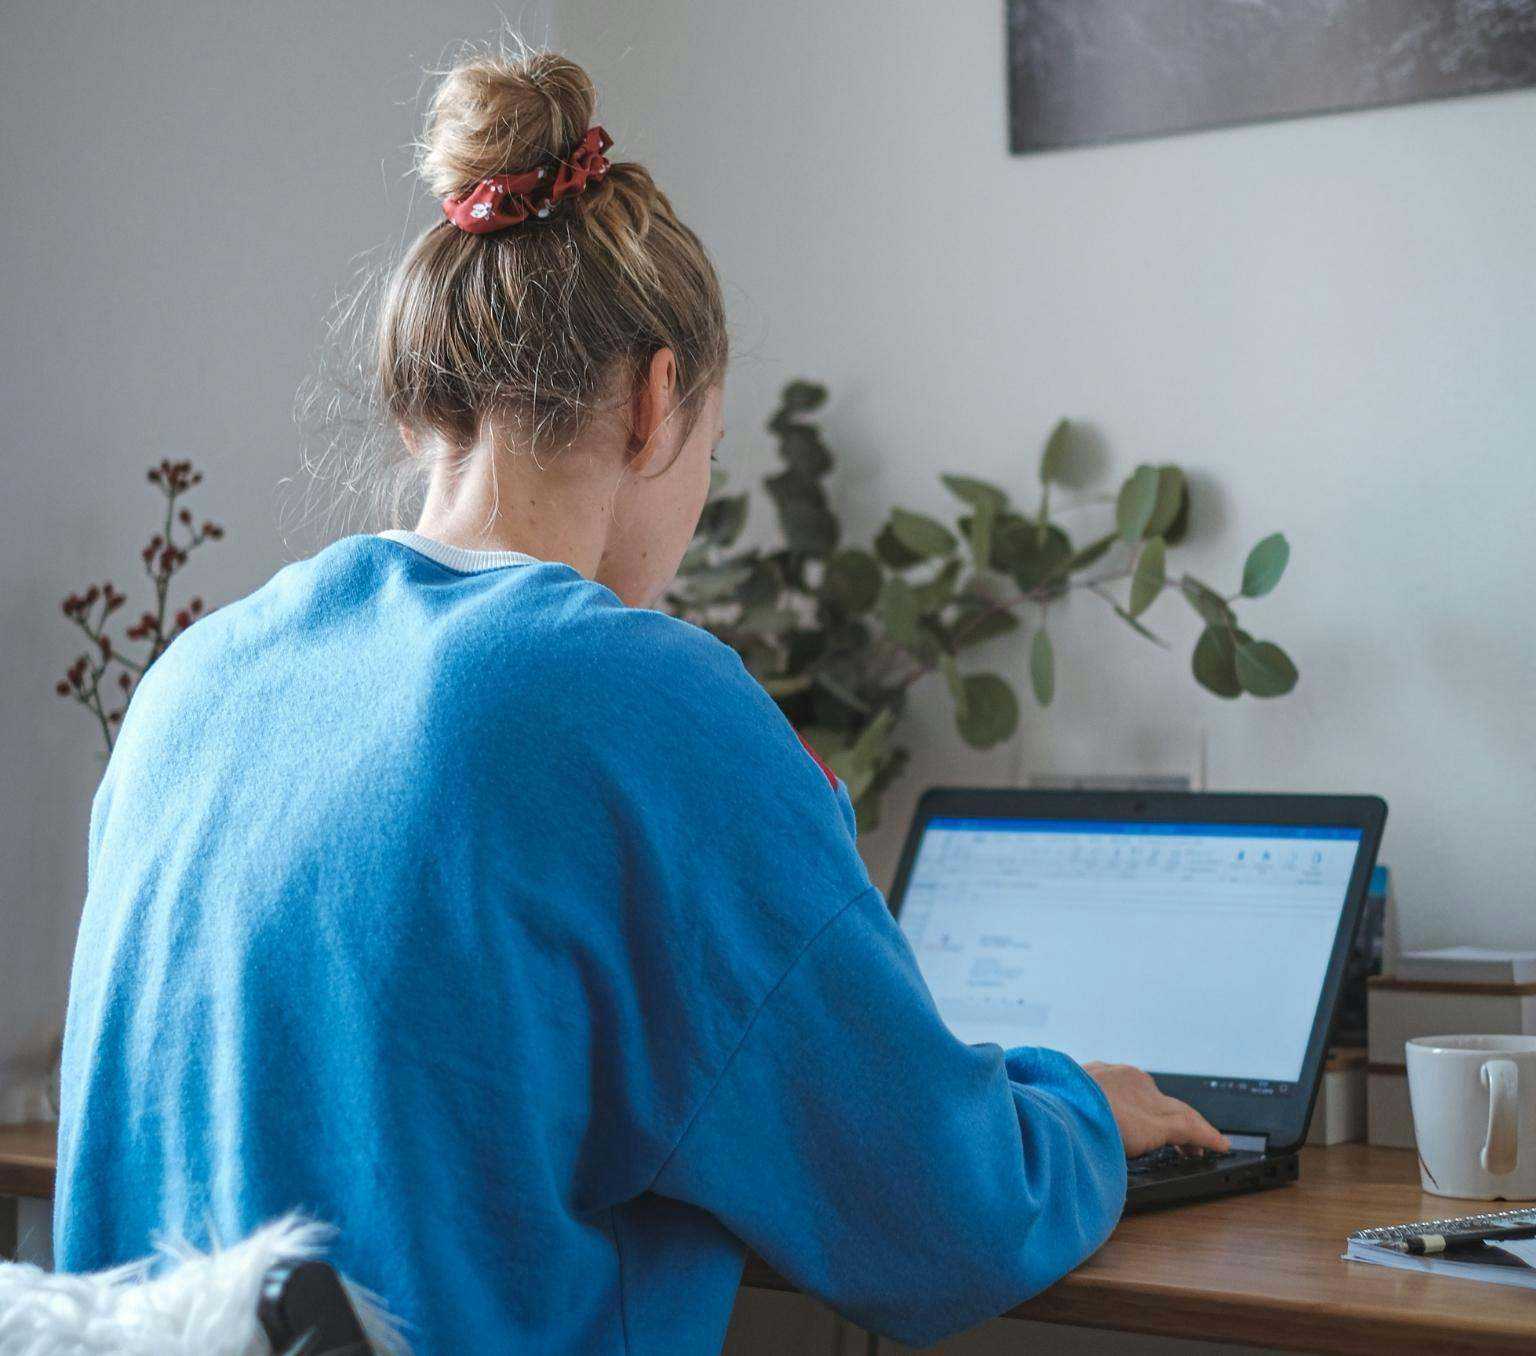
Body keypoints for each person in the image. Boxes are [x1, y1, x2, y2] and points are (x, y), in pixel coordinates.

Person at [54, 44, 1226, 1356]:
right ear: (658, 403)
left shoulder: (191, 686)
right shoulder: (639, 702)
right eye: (712, 454)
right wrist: (1077, 1108)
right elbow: (943, 1220)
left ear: (418, 410)